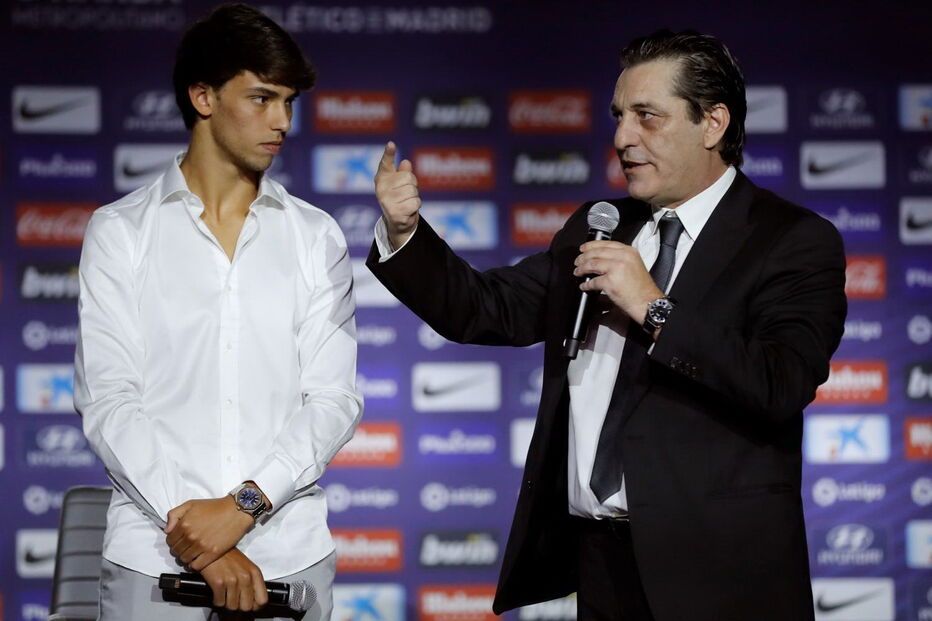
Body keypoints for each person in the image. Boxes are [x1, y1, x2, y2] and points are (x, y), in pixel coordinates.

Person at [368, 29, 846, 621]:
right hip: (601, 566)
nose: (622, 138)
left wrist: (653, 306)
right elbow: (484, 308)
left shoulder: (790, 240)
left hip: (721, 576)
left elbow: (780, 382)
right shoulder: (600, 227)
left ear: (713, 123)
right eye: (620, 116)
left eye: (648, 117)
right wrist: (404, 234)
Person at [74, 4, 363, 619]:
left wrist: (241, 510)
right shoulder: (120, 231)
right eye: (261, 98)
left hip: (289, 555)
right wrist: (201, 541)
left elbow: (333, 401)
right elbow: (109, 400)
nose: (282, 121)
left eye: (288, 102)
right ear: (202, 97)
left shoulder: (316, 236)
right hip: (154, 560)